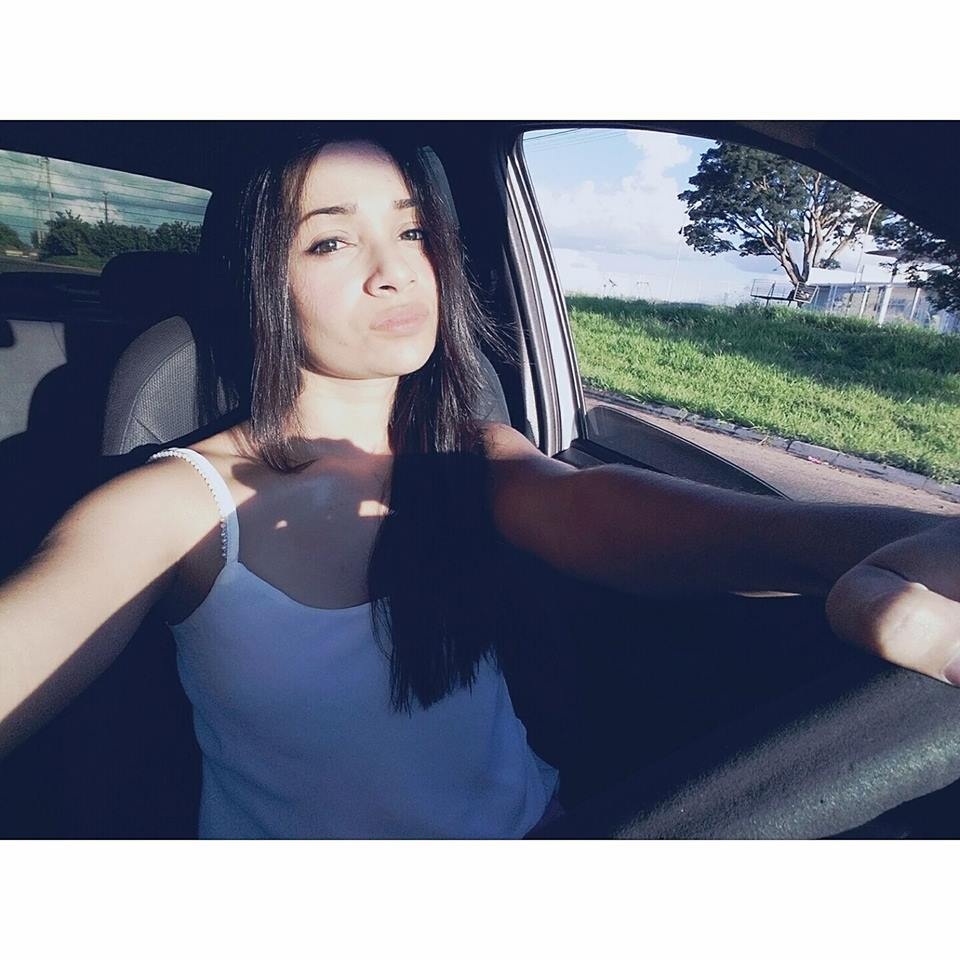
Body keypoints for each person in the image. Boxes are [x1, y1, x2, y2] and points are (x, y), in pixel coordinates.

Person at [1, 129, 958, 839]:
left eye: (414, 231)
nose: (396, 272)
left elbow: (602, 511)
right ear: (261, 280)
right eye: (331, 242)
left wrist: (886, 545)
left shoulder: (467, 453)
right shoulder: (177, 505)